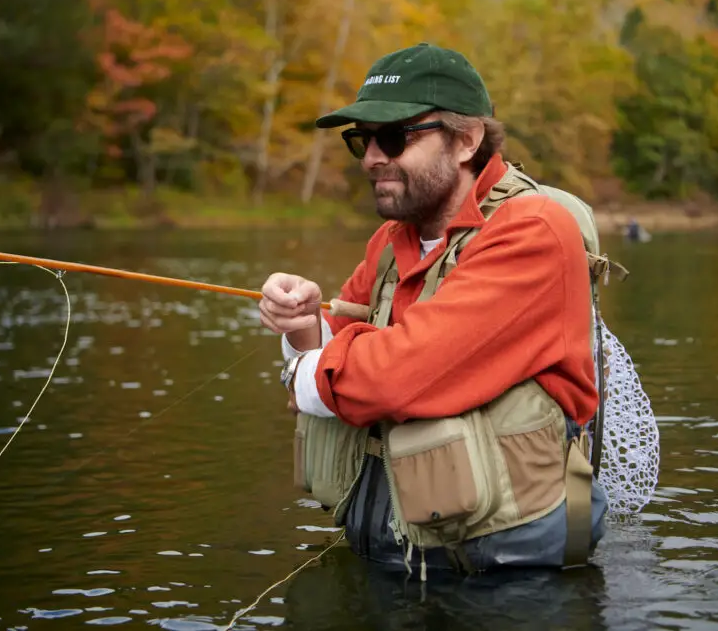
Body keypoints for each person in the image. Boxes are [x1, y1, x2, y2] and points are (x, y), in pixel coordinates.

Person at [259, 42, 610, 578]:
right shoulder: (389, 242)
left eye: (395, 138)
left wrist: (307, 367)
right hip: (394, 559)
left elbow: (396, 376)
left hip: (512, 579)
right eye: (362, 140)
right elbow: (331, 366)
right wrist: (302, 324)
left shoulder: (533, 232)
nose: (373, 157)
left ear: (468, 140)